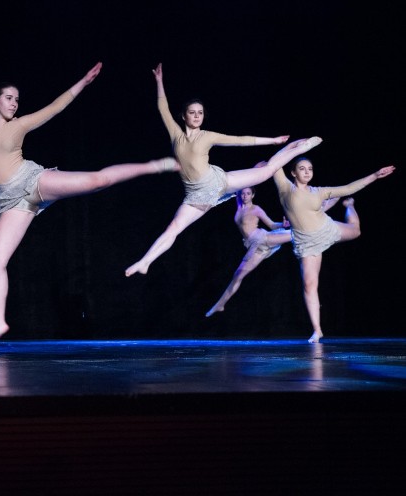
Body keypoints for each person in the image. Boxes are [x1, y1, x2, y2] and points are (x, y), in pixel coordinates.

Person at [0, 19, 179, 352]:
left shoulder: (21, 125)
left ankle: (153, 165)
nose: (15, 103)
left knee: (97, 180)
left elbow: (55, 108)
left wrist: (82, 83)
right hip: (9, 202)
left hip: (31, 181)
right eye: (10, 98)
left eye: (17, 99)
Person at [124, 63, 323, 278]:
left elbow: (239, 141)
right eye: (192, 113)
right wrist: (159, 82)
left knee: (267, 171)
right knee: (173, 228)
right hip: (196, 197)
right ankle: (145, 261)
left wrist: (271, 140)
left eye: (200, 113)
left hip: (218, 182)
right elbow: (162, 108)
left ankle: (300, 147)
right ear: (184, 116)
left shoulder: (207, 136)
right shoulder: (176, 135)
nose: (197, 116)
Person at [273, 157, 395, 343]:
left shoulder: (319, 191)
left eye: (310, 169)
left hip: (325, 229)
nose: (307, 172)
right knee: (309, 285)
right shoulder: (285, 187)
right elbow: (273, 163)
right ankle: (317, 330)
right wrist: (272, 160)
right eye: (302, 168)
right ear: (293, 172)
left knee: (356, 231)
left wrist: (375, 175)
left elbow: (349, 188)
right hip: (306, 242)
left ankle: (349, 206)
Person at [204, 183, 340, 318]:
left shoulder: (256, 209)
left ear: (253, 195)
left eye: (248, 194)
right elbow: (240, 185)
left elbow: (271, 225)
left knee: (298, 231)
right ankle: (220, 304)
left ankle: (327, 204)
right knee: (238, 275)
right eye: (243, 194)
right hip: (254, 247)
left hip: (262, 239)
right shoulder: (239, 204)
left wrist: (282, 224)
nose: (245, 196)